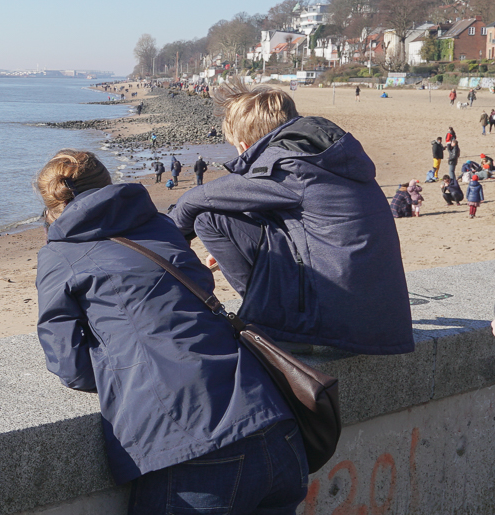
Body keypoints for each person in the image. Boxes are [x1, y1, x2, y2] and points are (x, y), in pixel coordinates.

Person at [34, 149, 305, 515]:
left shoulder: (60, 253)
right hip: (274, 431)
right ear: (111, 183)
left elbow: (71, 367)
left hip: (197, 454)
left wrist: (125, 362)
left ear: (51, 203)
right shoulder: (158, 226)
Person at [169, 81, 414, 355]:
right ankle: (271, 315)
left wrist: (165, 241)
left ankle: (269, 322)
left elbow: (198, 199)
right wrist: (241, 246)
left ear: (244, 145)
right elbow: (302, 218)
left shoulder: (288, 167)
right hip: (376, 320)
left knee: (209, 218)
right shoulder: (321, 156)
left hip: (336, 326)